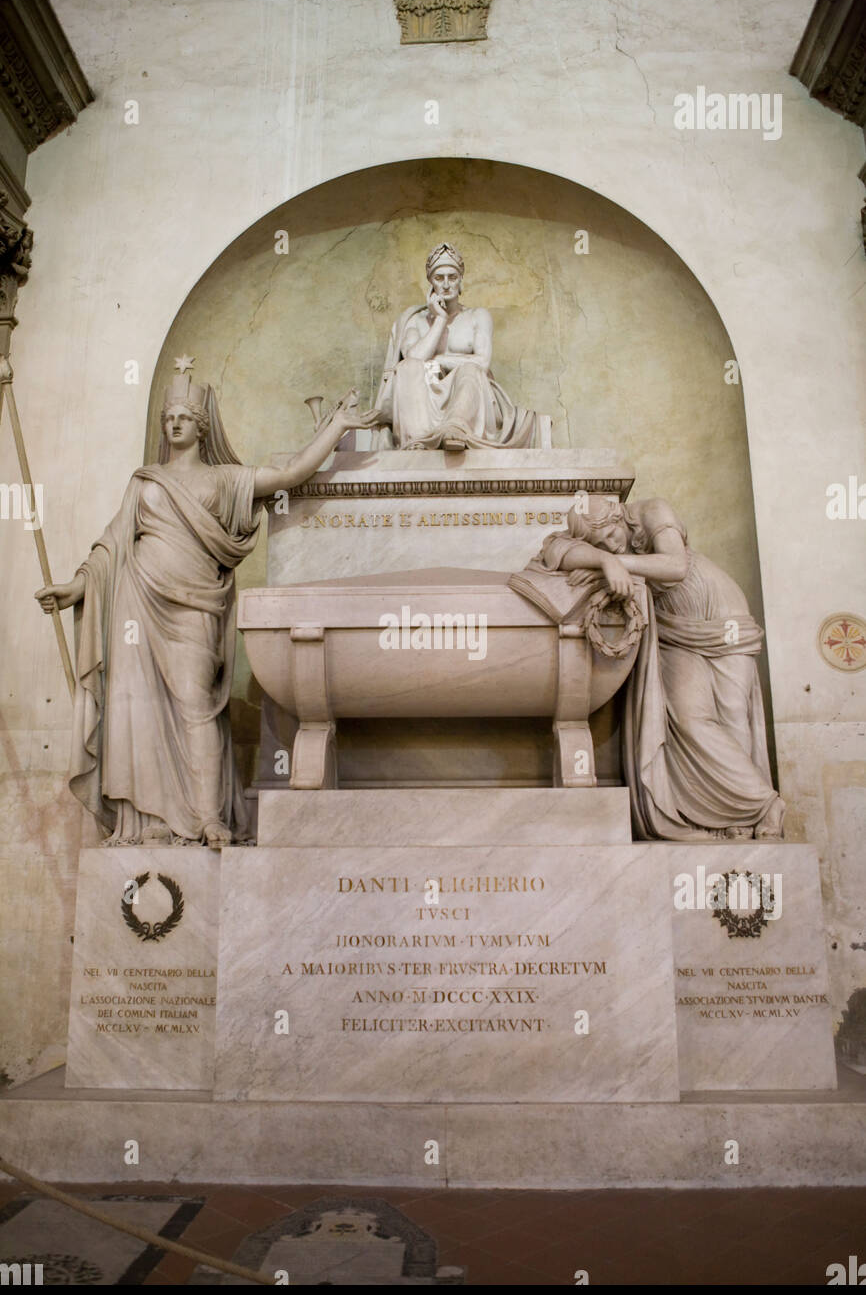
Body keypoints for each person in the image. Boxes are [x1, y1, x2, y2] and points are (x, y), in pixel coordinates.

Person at [36, 370, 377, 848]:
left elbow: (290, 475)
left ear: (202, 426)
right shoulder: (144, 482)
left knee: (196, 705)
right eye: (168, 418)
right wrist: (77, 586)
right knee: (138, 706)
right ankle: (149, 819)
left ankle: (206, 817)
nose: (174, 425)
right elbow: (112, 545)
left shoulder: (225, 479)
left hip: (195, 606)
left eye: (184, 418)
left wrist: (336, 427)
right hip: (137, 601)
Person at [516, 495, 785, 841]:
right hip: (670, 628)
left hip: (720, 616)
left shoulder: (652, 511)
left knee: (732, 714)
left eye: (611, 535)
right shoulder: (603, 550)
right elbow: (554, 551)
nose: (612, 544)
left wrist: (616, 562)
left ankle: (751, 816)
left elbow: (676, 566)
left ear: (618, 516)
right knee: (690, 718)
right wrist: (604, 560)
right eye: (601, 544)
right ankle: (752, 803)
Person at [373, 242, 537, 451]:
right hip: (423, 400)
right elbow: (414, 358)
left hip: (468, 392)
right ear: (430, 282)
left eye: (452, 277)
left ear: (460, 280)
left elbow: (482, 362)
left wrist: (439, 360)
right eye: (439, 278)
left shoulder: (477, 316)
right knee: (407, 367)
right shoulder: (415, 320)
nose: (446, 284)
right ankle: (418, 438)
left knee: (470, 369)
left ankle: (456, 428)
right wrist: (440, 320)